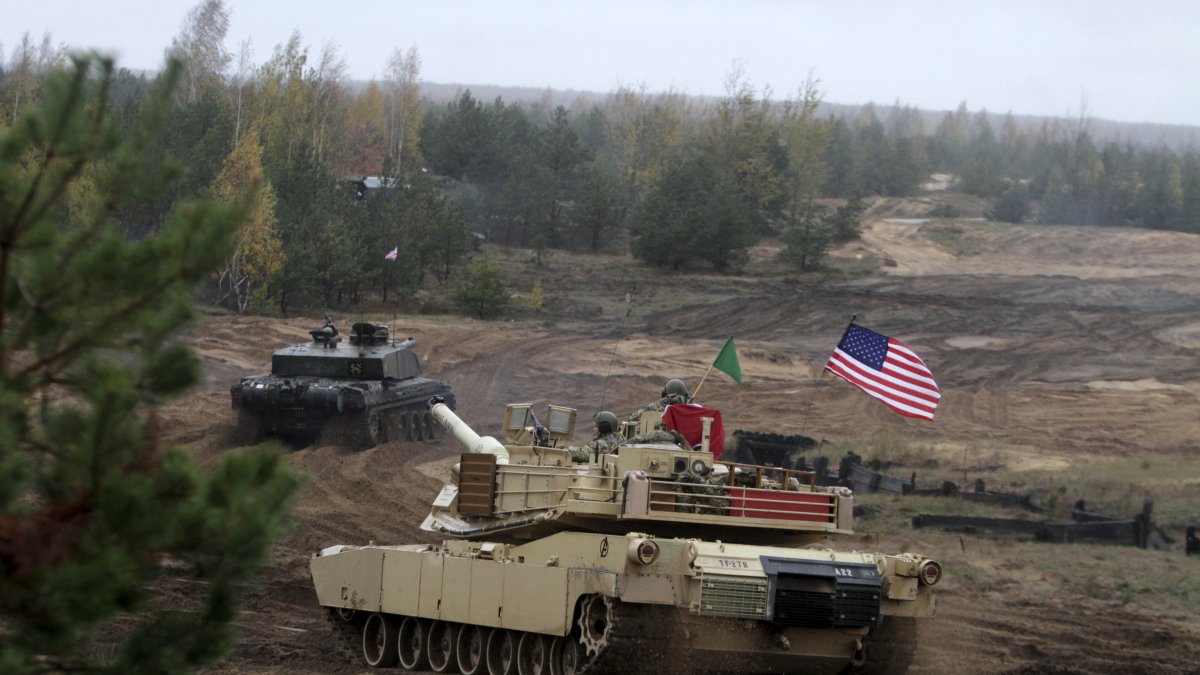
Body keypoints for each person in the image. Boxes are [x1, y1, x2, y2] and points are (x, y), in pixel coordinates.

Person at [626, 378, 692, 425]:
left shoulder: (651, 407)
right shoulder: (692, 410)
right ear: (685, 394)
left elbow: (631, 419)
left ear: (664, 393)